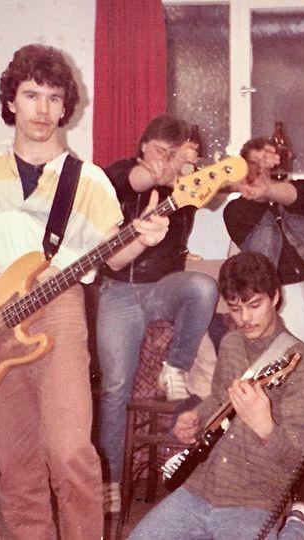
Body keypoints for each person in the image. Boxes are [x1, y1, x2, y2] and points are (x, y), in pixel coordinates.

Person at [0, 44, 169, 539]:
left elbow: (113, 257)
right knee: (18, 462)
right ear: (11, 101)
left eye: (53, 98)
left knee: (70, 450)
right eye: (31, 94)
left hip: (58, 309)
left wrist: (142, 238)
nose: (42, 109)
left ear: (65, 107)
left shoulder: (90, 181)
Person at [129, 252, 304, 540]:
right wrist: (196, 418)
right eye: (235, 308)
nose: (245, 318)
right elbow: (218, 401)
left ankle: (295, 527)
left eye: (255, 306)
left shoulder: (299, 361)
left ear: (275, 298)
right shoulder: (231, 344)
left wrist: (264, 425)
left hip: (256, 498)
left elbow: (299, 457)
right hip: (201, 486)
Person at [96, 114, 220, 513]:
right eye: (159, 151)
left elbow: (219, 185)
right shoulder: (117, 175)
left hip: (162, 289)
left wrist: (196, 168)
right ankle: (111, 480)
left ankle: (175, 365)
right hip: (118, 293)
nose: (165, 161)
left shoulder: (187, 189)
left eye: (173, 153)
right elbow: (132, 180)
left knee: (203, 287)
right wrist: (162, 170)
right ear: (143, 147)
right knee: (116, 388)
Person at [223, 137, 304, 348]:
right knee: (294, 357)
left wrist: (269, 188)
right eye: (254, 165)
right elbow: (252, 207)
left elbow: (300, 198)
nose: (261, 172)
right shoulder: (235, 211)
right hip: (282, 292)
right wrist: (256, 188)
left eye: (267, 164)